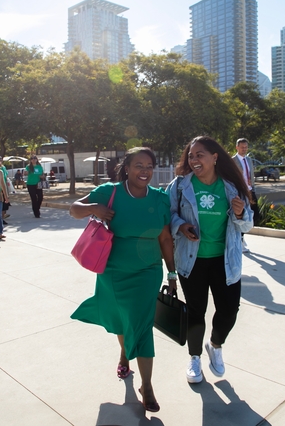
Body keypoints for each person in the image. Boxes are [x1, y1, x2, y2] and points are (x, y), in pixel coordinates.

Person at [70, 147, 176, 413]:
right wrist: (94, 207)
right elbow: (74, 209)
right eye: (139, 165)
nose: (145, 171)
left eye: (149, 165)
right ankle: (123, 353)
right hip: (114, 271)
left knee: (141, 325)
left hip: (148, 271)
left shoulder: (160, 199)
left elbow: (165, 238)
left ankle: (147, 386)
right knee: (122, 318)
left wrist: (172, 273)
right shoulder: (111, 192)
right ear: (126, 167)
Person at [166, 136, 253, 385]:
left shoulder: (231, 187)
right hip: (192, 261)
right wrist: (180, 225)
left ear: (215, 157)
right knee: (196, 311)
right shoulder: (180, 186)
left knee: (229, 311)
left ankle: (215, 344)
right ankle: (194, 357)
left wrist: (239, 212)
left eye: (200, 155)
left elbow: (247, 223)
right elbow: (168, 214)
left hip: (225, 260)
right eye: (191, 156)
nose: (194, 160)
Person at [232, 138, 258, 253]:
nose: (244, 149)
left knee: (255, 214)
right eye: (242, 147)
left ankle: (242, 236)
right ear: (237, 147)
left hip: (250, 191)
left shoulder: (249, 159)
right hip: (239, 192)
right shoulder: (233, 161)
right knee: (242, 216)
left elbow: (251, 175)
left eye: (246, 147)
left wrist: (253, 189)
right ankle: (241, 239)